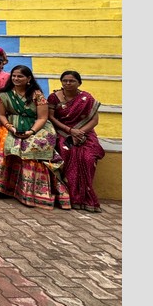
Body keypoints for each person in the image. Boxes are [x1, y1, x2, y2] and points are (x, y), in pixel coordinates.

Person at [0, 65, 70, 210]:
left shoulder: (37, 95)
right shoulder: (4, 94)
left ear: (28, 79)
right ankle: (7, 188)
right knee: (9, 145)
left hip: (37, 126)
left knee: (35, 147)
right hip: (12, 125)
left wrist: (31, 132)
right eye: (14, 76)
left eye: (20, 76)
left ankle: (36, 193)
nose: (16, 79)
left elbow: (42, 117)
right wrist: (11, 127)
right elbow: (2, 115)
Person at [47, 70, 105, 212]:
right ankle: (70, 197)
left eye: (71, 81)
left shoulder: (86, 98)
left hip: (85, 133)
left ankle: (86, 198)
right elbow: (51, 118)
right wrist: (70, 131)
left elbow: (94, 119)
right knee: (68, 153)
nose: (68, 83)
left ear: (79, 82)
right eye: (65, 80)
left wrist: (80, 132)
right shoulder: (54, 97)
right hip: (63, 133)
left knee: (88, 158)